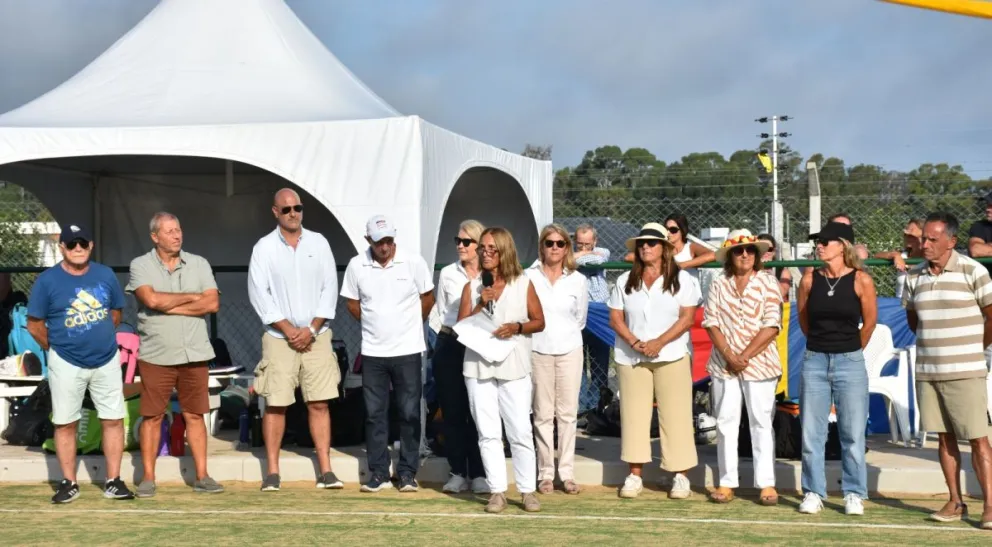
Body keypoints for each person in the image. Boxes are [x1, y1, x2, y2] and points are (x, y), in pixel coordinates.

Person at [25, 224, 134, 503]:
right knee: (65, 422)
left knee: (113, 419)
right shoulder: (47, 281)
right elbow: (35, 325)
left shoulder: (105, 274)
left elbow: (115, 314)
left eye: (83, 243)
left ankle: (113, 481)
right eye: (72, 244)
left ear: (91, 246)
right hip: (65, 362)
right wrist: (58, 348)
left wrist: (97, 341)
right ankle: (68, 482)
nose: (77, 248)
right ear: (62, 247)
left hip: (106, 359)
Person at [248, 188, 343, 492]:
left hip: (318, 336)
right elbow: (259, 293)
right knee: (276, 404)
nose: (293, 214)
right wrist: (288, 329)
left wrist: (312, 329)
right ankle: (273, 473)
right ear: (275, 212)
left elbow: (330, 288)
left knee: (319, 402)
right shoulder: (264, 248)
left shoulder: (319, 242)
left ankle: (326, 470)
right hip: (279, 337)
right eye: (287, 209)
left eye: (297, 208)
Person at [903, 212, 992, 529]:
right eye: (923, 238)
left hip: (966, 370)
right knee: (944, 438)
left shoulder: (973, 270)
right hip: (928, 372)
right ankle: (955, 501)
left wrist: (973, 349)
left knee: (978, 439)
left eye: (932, 239)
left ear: (951, 241)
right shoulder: (913, 276)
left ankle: (990, 506)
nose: (925, 244)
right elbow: (913, 321)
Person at [127, 212, 224, 496]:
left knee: (195, 414)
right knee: (152, 416)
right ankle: (148, 478)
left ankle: (202, 476)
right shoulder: (140, 265)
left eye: (178, 229)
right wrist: (193, 297)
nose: (177, 235)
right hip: (156, 354)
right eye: (169, 231)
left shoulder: (199, 263)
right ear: (154, 237)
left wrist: (167, 305)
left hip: (194, 352)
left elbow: (212, 303)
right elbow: (151, 299)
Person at [341, 214, 435, 493]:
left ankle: (407, 473)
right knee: (374, 414)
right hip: (373, 353)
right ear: (368, 240)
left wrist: (410, 325)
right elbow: (351, 302)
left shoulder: (414, 261)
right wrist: (372, 324)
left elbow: (428, 297)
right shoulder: (356, 265)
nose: (384, 246)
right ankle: (379, 473)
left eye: (389, 241)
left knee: (409, 413)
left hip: (408, 351)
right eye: (378, 242)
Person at [608, 222, 701, 500]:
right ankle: (635, 475)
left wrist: (659, 342)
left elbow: (687, 318)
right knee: (633, 416)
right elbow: (616, 318)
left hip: (672, 355)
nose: (646, 247)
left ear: (665, 248)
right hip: (631, 356)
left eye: (652, 243)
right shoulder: (624, 280)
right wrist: (636, 343)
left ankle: (680, 476)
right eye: (642, 243)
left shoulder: (683, 280)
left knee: (676, 416)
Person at [458, 227, 545, 514]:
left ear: (504, 251)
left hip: (514, 363)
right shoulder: (472, 287)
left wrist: (516, 327)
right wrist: (481, 302)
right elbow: (461, 326)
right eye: (482, 248)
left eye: (491, 248)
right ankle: (497, 491)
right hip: (478, 365)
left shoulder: (523, 283)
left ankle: (527, 491)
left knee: (519, 430)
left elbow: (539, 321)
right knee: (488, 432)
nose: (485, 253)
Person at [796, 221, 877, 516]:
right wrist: (822, 346)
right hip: (814, 360)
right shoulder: (808, 280)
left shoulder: (861, 280)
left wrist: (849, 350)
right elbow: (804, 320)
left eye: (825, 241)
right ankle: (813, 492)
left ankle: (854, 493)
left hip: (850, 362)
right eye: (817, 242)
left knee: (852, 433)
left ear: (842, 246)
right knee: (811, 433)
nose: (819, 246)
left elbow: (869, 323)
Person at [702, 229, 783, 505]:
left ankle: (766, 483)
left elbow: (772, 325)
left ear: (757, 255)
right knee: (725, 422)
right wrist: (729, 355)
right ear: (730, 255)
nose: (745, 255)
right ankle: (727, 482)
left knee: (761, 421)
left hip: (760, 362)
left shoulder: (768, 282)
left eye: (750, 250)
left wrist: (743, 356)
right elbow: (710, 321)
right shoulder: (718, 283)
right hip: (723, 363)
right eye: (738, 250)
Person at [527, 224, 588, 495]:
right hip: (537, 349)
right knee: (542, 414)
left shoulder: (578, 280)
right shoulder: (528, 276)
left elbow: (580, 319)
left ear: (567, 248)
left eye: (560, 243)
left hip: (570, 350)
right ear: (542, 246)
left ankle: (567, 473)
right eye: (549, 243)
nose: (554, 248)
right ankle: (545, 474)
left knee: (567, 414)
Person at [431, 220, 488, 495]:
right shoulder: (447, 273)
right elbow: (444, 312)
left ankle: (479, 473)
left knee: (479, 411)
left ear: (479, 244)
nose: (460, 246)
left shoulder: (492, 272)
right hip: (450, 342)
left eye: (466, 241)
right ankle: (457, 472)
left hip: (481, 345)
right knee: (452, 411)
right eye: (458, 241)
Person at [573, 224, 612, 412]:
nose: (583, 248)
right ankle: (580, 406)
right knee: (577, 363)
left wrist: (575, 258)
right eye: (579, 244)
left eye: (587, 244)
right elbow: (569, 260)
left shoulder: (602, 251)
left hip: (599, 309)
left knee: (600, 362)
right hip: (578, 311)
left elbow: (597, 260)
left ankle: (596, 405)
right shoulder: (567, 253)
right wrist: (579, 256)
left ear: (595, 241)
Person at [873, 218, 923, 299]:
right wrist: (895, 255)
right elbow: (876, 255)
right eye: (906, 235)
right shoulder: (903, 255)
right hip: (901, 303)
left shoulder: (932, 259)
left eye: (912, 236)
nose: (907, 238)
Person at [757, 233, 792, 300]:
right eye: (762, 249)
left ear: (774, 251)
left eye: (769, 249)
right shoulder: (750, 269)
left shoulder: (783, 270)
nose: (765, 252)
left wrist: (770, 275)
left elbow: (782, 293)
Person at [967, 192, 992, 259]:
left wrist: (988, 246)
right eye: (988, 205)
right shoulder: (980, 226)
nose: (987, 209)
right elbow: (975, 250)